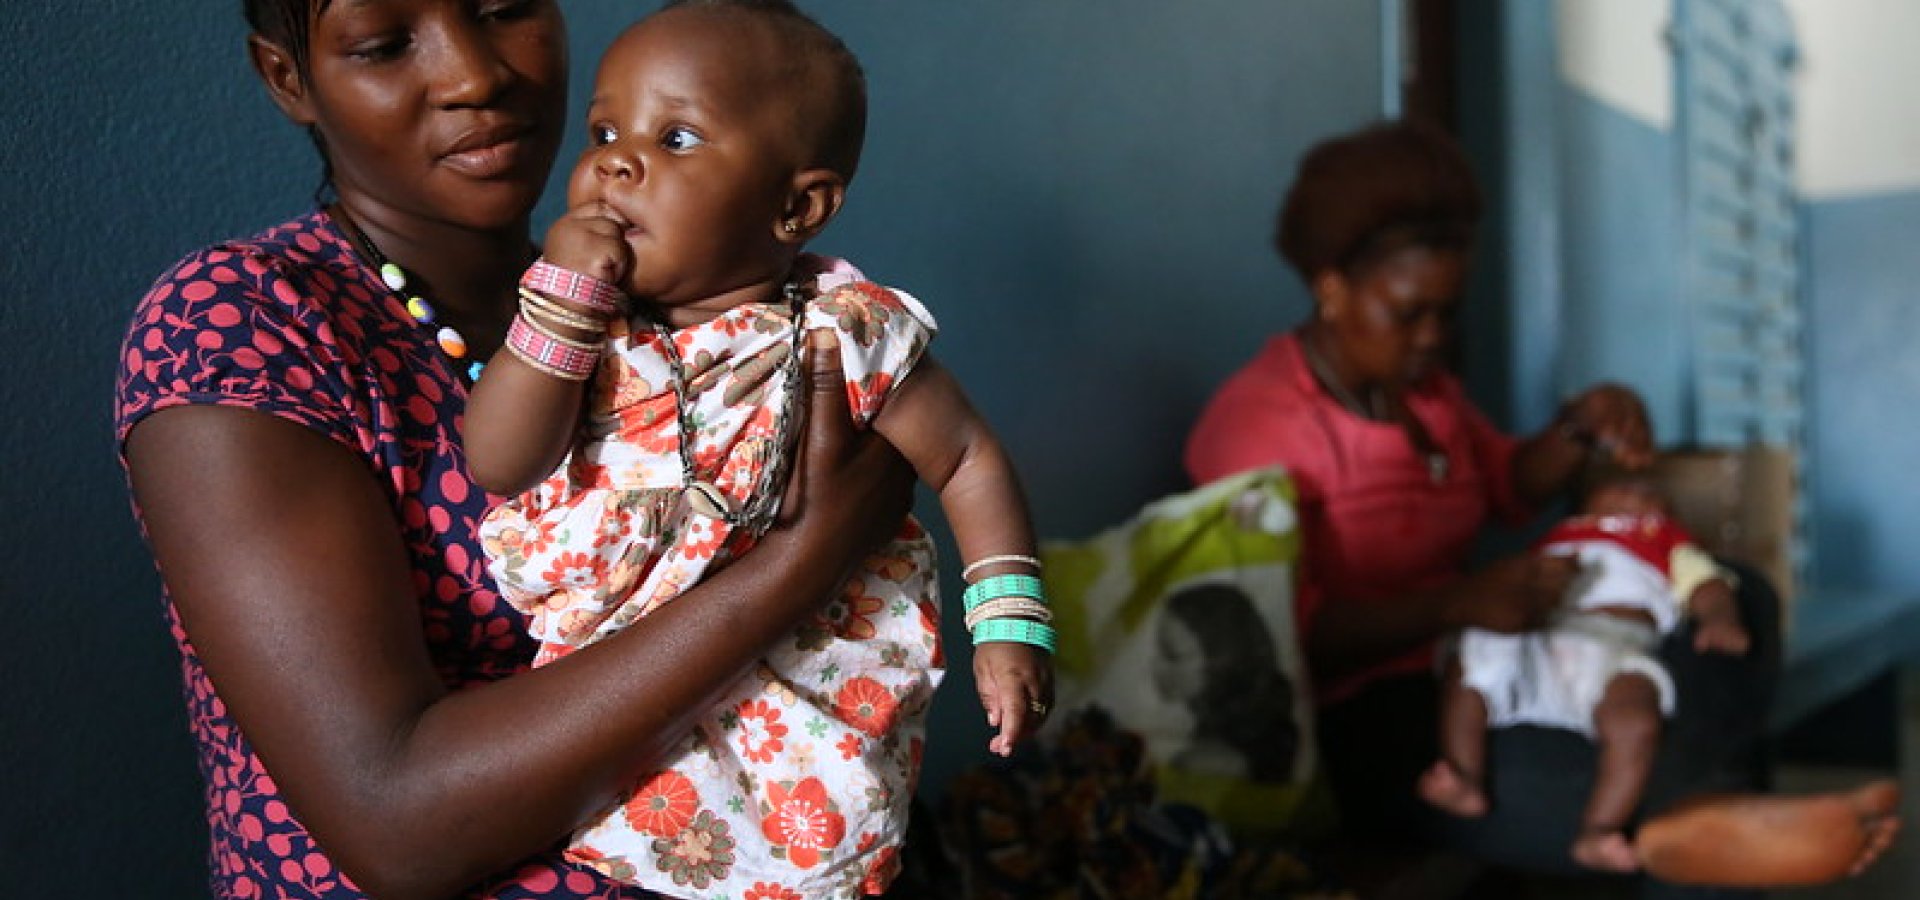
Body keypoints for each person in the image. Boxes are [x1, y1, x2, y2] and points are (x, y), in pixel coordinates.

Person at [114, 0, 927, 897]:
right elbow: (397, 824)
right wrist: (803, 560)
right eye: (384, 44)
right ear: (287, 78)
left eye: (505, 8)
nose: (475, 76)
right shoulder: (246, 324)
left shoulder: (663, 314)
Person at [1182, 119, 1897, 892]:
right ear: (1331, 288)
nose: (1432, 338)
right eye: (1409, 313)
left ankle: (1696, 816)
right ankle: (1705, 814)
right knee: (1604, 764)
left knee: (1737, 596)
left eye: (1448, 313)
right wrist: (1455, 605)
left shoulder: (1425, 394)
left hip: (1503, 651)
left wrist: (1582, 426)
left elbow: (1508, 485)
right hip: (1370, 711)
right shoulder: (1260, 424)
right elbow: (1274, 639)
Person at [461, 3, 1054, 897]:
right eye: (605, 133)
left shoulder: (847, 332)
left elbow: (968, 459)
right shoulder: (587, 326)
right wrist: (561, 301)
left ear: (796, 205)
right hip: (627, 711)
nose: (616, 163)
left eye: (675, 138)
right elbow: (501, 463)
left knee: (810, 864)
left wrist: (1010, 621)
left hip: (805, 710)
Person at [1420, 474, 1751, 872]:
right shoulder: (1559, 537)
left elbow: (1709, 586)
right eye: (1620, 484)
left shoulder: (1667, 542)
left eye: (1649, 491)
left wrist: (1719, 619)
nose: (1635, 490)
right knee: (1472, 657)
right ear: (1583, 505)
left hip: (1614, 647)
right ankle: (1462, 775)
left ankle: (1598, 830)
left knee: (1636, 720)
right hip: (1539, 639)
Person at [1151, 582, 1298, 782]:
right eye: (1159, 651)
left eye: (1173, 655)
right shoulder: (1243, 731)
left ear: (1221, 660)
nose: (1155, 667)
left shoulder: (1205, 763)